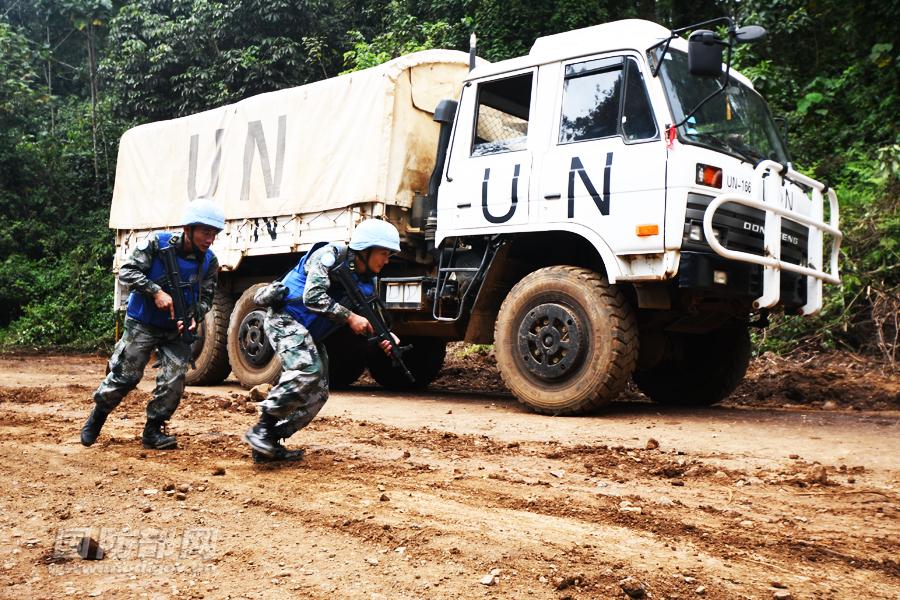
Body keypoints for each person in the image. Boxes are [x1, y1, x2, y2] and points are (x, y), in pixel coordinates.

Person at [243, 219, 401, 463]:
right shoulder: (329, 256)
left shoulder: (367, 283)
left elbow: (371, 321)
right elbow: (312, 297)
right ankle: (262, 428)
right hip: (284, 320)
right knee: (308, 369)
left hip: (310, 334)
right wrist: (349, 317)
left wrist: (385, 337)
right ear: (365, 249)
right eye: (383, 253)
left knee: (318, 393)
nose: (387, 260)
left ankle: (270, 441)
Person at [80, 198, 223, 449]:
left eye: (214, 234)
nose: (209, 239)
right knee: (126, 376)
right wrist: (155, 291)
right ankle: (98, 415)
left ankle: (153, 430)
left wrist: (193, 317)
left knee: (174, 379)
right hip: (143, 322)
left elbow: (207, 299)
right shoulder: (157, 245)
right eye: (205, 232)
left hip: (176, 329)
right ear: (188, 229)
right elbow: (127, 272)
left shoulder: (209, 262)